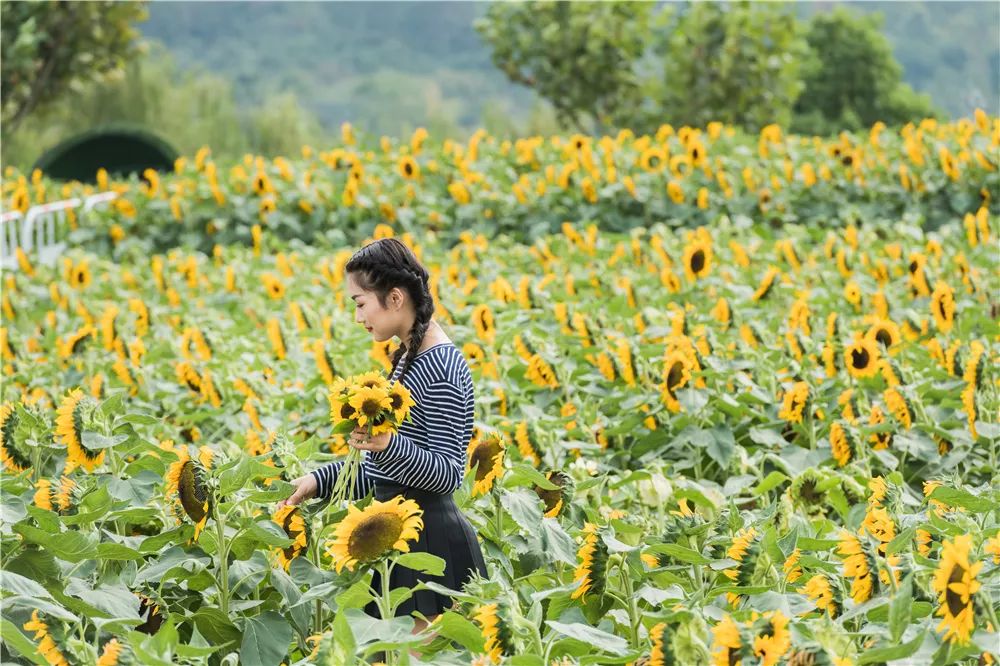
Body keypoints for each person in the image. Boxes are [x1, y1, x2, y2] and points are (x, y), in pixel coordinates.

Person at [277, 237, 487, 631]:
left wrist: (390, 444)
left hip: (431, 544)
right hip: (399, 536)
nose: (358, 317)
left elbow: (447, 475)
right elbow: (386, 471)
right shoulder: (409, 358)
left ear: (394, 298)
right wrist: (317, 480)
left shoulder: (441, 365)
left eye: (360, 303)